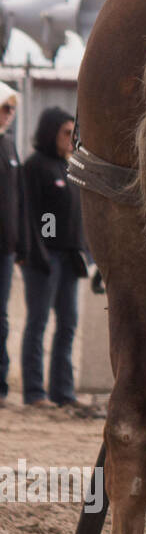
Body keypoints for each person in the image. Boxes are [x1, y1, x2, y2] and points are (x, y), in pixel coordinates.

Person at [21, 106, 88, 408]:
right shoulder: (37, 167)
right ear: (50, 132)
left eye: (73, 132)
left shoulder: (69, 167)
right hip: (46, 260)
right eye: (65, 132)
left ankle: (63, 392)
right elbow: (35, 214)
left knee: (69, 324)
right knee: (38, 322)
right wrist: (42, 249)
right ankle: (35, 392)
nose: (70, 138)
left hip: (70, 259)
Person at [0, 82, 28, 404]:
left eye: (12, 109)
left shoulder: (9, 147)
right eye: (5, 108)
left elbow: (20, 200)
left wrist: (25, 246)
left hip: (6, 251)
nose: (9, 115)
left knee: (3, 319)